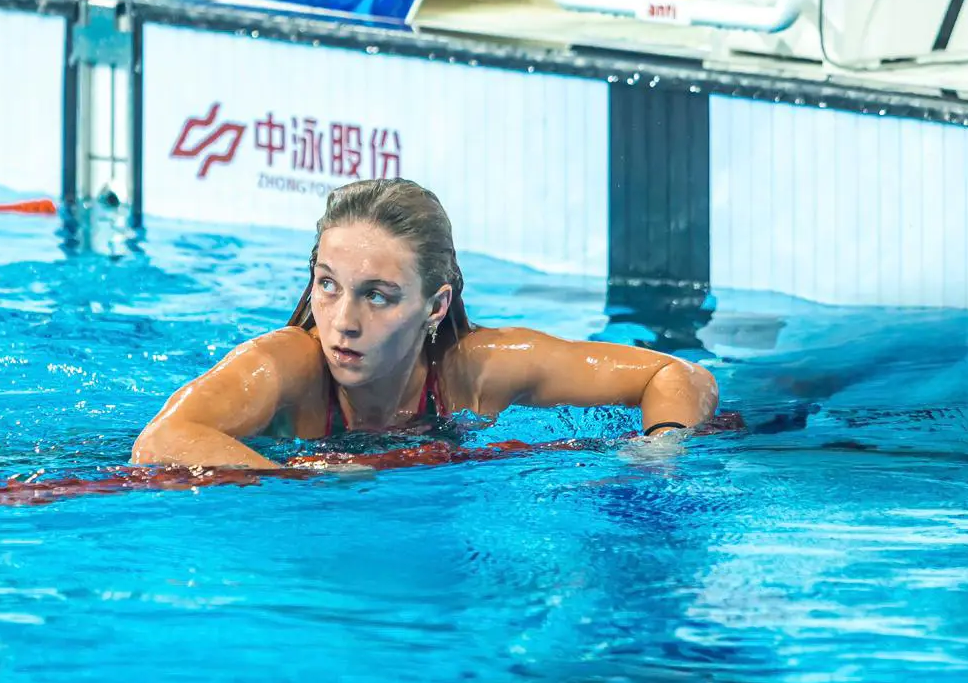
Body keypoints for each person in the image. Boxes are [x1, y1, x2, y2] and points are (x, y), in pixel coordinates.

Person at [131, 178, 719, 469]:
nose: (341, 323)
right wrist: (307, 481)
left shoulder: (479, 369)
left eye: (378, 297)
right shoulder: (287, 363)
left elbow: (677, 374)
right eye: (328, 285)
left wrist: (661, 448)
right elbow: (160, 443)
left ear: (434, 307)